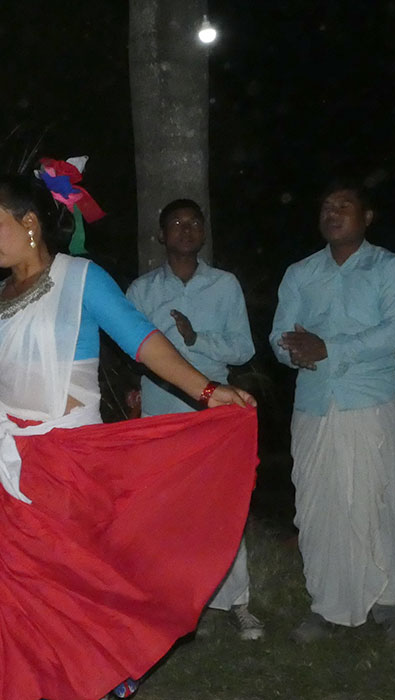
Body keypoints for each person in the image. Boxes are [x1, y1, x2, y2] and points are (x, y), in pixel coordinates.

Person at [0, 171, 258, 700]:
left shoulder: (81, 278)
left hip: (69, 461)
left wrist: (206, 391)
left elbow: (143, 341)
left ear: (30, 222)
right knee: (14, 595)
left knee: (69, 585)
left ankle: (90, 677)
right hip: (4, 462)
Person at [270, 180, 395, 647]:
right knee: (319, 506)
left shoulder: (392, 269)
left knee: (379, 503)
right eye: (327, 206)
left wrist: (328, 348)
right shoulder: (300, 273)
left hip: (369, 403)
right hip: (314, 406)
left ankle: (390, 603)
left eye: (344, 206)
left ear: (367, 216)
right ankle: (328, 605)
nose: (333, 213)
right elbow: (279, 335)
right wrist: (293, 351)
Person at [125, 197, 261, 641]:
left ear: (203, 232)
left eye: (194, 223)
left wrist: (195, 339)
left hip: (213, 412)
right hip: (160, 409)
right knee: (166, 510)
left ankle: (237, 602)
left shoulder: (224, 286)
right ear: (161, 235)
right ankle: (176, 606)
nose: (186, 230)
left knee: (223, 504)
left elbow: (243, 349)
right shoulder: (141, 291)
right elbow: (129, 349)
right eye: (176, 224)